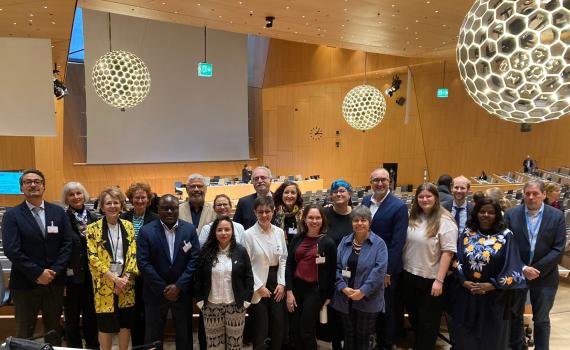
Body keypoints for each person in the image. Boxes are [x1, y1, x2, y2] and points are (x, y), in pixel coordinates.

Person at [1, 169, 72, 346]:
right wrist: (38, 273)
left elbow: (66, 244)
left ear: (44, 185)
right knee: (24, 334)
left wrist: (53, 271)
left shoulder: (58, 212)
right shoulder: (12, 215)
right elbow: (12, 250)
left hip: (54, 283)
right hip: (25, 284)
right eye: (28, 182)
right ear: (21, 187)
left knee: (53, 331)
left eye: (37, 181)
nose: (33, 185)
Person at [452, 197, 526, 350]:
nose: (486, 215)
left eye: (491, 212)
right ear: (476, 213)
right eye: (482, 211)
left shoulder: (506, 236)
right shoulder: (467, 233)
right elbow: (457, 260)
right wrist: (463, 280)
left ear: (497, 215)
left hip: (494, 299)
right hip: (468, 295)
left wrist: (492, 285)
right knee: (466, 340)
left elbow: (514, 268)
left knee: (492, 341)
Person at [506, 180, 566, 350]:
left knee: (541, 319)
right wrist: (523, 268)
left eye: (535, 194)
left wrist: (536, 269)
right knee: (515, 316)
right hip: (518, 274)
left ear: (543, 195)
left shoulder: (556, 216)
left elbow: (558, 248)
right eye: (528, 194)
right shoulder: (511, 214)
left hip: (545, 277)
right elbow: (507, 246)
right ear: (523, 195)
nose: (531, 197)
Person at [137, 194, 200, 350]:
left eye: (174, 208)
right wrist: (163, 288)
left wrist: (178, 286)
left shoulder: (189, 230)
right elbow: (143, 263)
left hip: (182, 292)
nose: (170, 211)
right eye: (165, 208)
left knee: (184, 335)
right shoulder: (146, 231)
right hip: (155, 293)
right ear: (158, 210)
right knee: (153, 335)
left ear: (178, 209)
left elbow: (194, 260)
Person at [401, 183, 457, 350]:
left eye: (428, 196)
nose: (425, 199)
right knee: (415, 317)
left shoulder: (445, 221)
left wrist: (439, 281)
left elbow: (448, 253)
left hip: (431, 278)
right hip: (409, 274)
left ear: (436, 198)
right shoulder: (413, 216)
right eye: (421, 197)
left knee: (428, 322)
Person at [361, 168, 408, 349]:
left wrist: (387, 271)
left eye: (384, 180)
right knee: (370, 306)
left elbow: (397, 244)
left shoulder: (398, 206)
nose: (380, 183)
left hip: (386, 269)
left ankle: (385, 344)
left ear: (390, 182)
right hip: (366, 265)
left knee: (385, 308)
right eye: (376, 180)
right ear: (370, 182)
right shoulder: (365, 202)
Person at [86, 187, 138, 350]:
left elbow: (132, 253)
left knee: (125, 323)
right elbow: (92, 258)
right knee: (105, 325)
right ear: (102, 206)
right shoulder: (92, 228)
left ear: (121, 205)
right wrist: (114, 279)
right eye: (108, 203)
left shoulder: (128, 226)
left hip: (126, 283)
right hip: (104, 284)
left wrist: (124, 279)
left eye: (116, 202)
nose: (113, 206)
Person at [331, 205, 388, 350]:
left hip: (368, 299)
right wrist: (342, 287)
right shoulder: (344, 241)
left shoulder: (379, 244)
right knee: (349, 335)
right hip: (345, 298)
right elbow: (336, 267)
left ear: (370, 222)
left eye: (363, 220)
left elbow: (379, 272)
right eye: (356, 220)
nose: (359, 223)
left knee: (364, 337)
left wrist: (362, 291)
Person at [195, 217, 254, 349]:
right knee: (214, 344)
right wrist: (199, 300)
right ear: (214, 232)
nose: (223, 233)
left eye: (227, 229)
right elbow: (198, 278)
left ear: (232, 231)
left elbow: (249, 277)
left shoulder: (241, 251)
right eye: (219, 230)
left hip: (235, 305)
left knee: (235, 344)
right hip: (211, 305)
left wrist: (246, 300)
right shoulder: (205, 252)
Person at [285, 205, 337, 350]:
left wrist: (329, 295)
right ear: (305, 219)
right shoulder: (297, 238)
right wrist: (289, 291)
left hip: (315, 291)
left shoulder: (328, 242)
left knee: (306, 330)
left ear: (322, 220)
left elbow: (332, 272)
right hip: (296, 288)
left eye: (317, 218)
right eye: (311, 217)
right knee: (295, 328)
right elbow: (289, 265)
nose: (314, 221)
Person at [243, 196, 288, 350]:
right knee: (260, 328)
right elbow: (246, 264)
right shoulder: (248, 234)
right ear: (255, 212)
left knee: (278, 324)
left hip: (276, 280)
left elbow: (283, 259)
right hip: (258, 283)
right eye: (260, 212)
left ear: (273, 211)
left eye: (267, 211)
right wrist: (258, 286)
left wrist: (282, 283)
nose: (264, 215)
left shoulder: (279, 232)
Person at [61, 182, 99, 349]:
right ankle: (74, 347)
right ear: (66, 198)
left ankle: (93, 346)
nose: (76, 197)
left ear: (84, 195)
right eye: (71, 194)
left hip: (92, 278)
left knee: (92, 317)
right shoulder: (61, 219)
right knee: (72, 319)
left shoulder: (94, 218)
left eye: (78, 193)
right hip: (71, 279)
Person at [121, 182, 158, 347]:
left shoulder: (156, 219)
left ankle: (149, 346)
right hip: (129, 275)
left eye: (143, 197)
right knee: (133, 315)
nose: (140, 200)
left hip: (149, 274)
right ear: (130, 199)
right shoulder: (123, 218)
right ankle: (136, 346)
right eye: (137, 197)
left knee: (149, 314)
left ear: (148, 199)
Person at [322, 179, 353, 349]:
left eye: (342, 191)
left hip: (350, 270)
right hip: (328, 269)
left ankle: (348, 341)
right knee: (332, 307)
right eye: (335, 191)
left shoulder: (356, 215)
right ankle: (335, 342)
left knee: (347, 308)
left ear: (349, 193)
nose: (338, 194)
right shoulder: (324, 215)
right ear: (331, 195)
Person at [272, 180, 303, 245]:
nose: (289, 196)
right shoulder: (274, 214)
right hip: (280, 250)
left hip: (298, 250)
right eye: (286, 192)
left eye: (293, 193)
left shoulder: (303, 214)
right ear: (281, 195)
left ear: (297, 195)